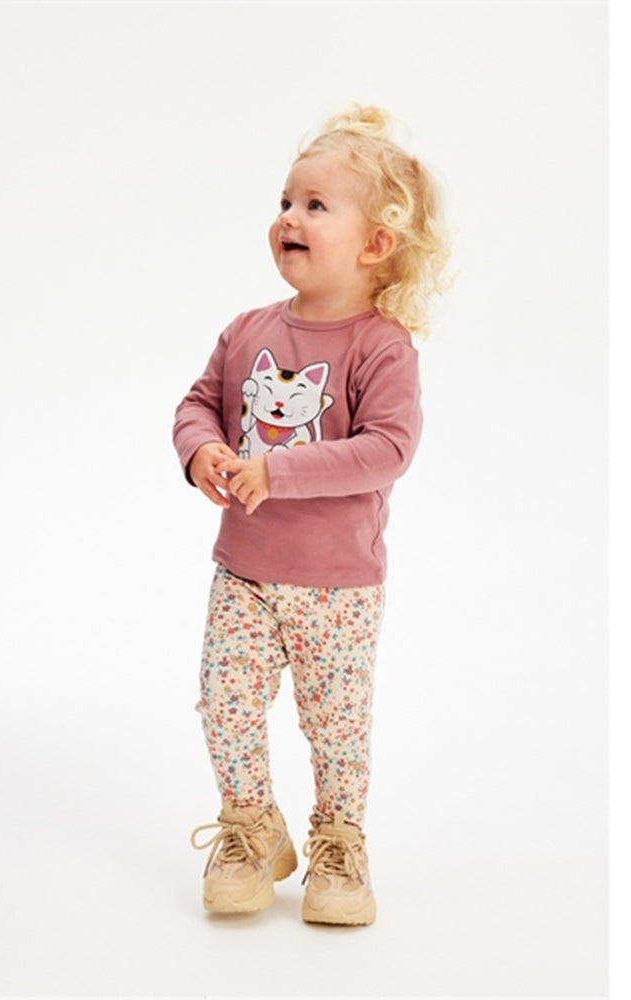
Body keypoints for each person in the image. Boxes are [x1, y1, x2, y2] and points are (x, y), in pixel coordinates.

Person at [172, 104, 451, 925]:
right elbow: (197, 404)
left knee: (335, 726)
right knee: (224, 702)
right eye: (286, 201)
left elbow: (388, 449)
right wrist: (201, 450)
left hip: (339, 586)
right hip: (245, 571)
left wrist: (278, 470)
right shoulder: (247, 331)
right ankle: (252, 827)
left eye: (316, 205)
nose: (289, 217)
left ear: (376, 244)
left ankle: (338, 842)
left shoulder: (381, 346)